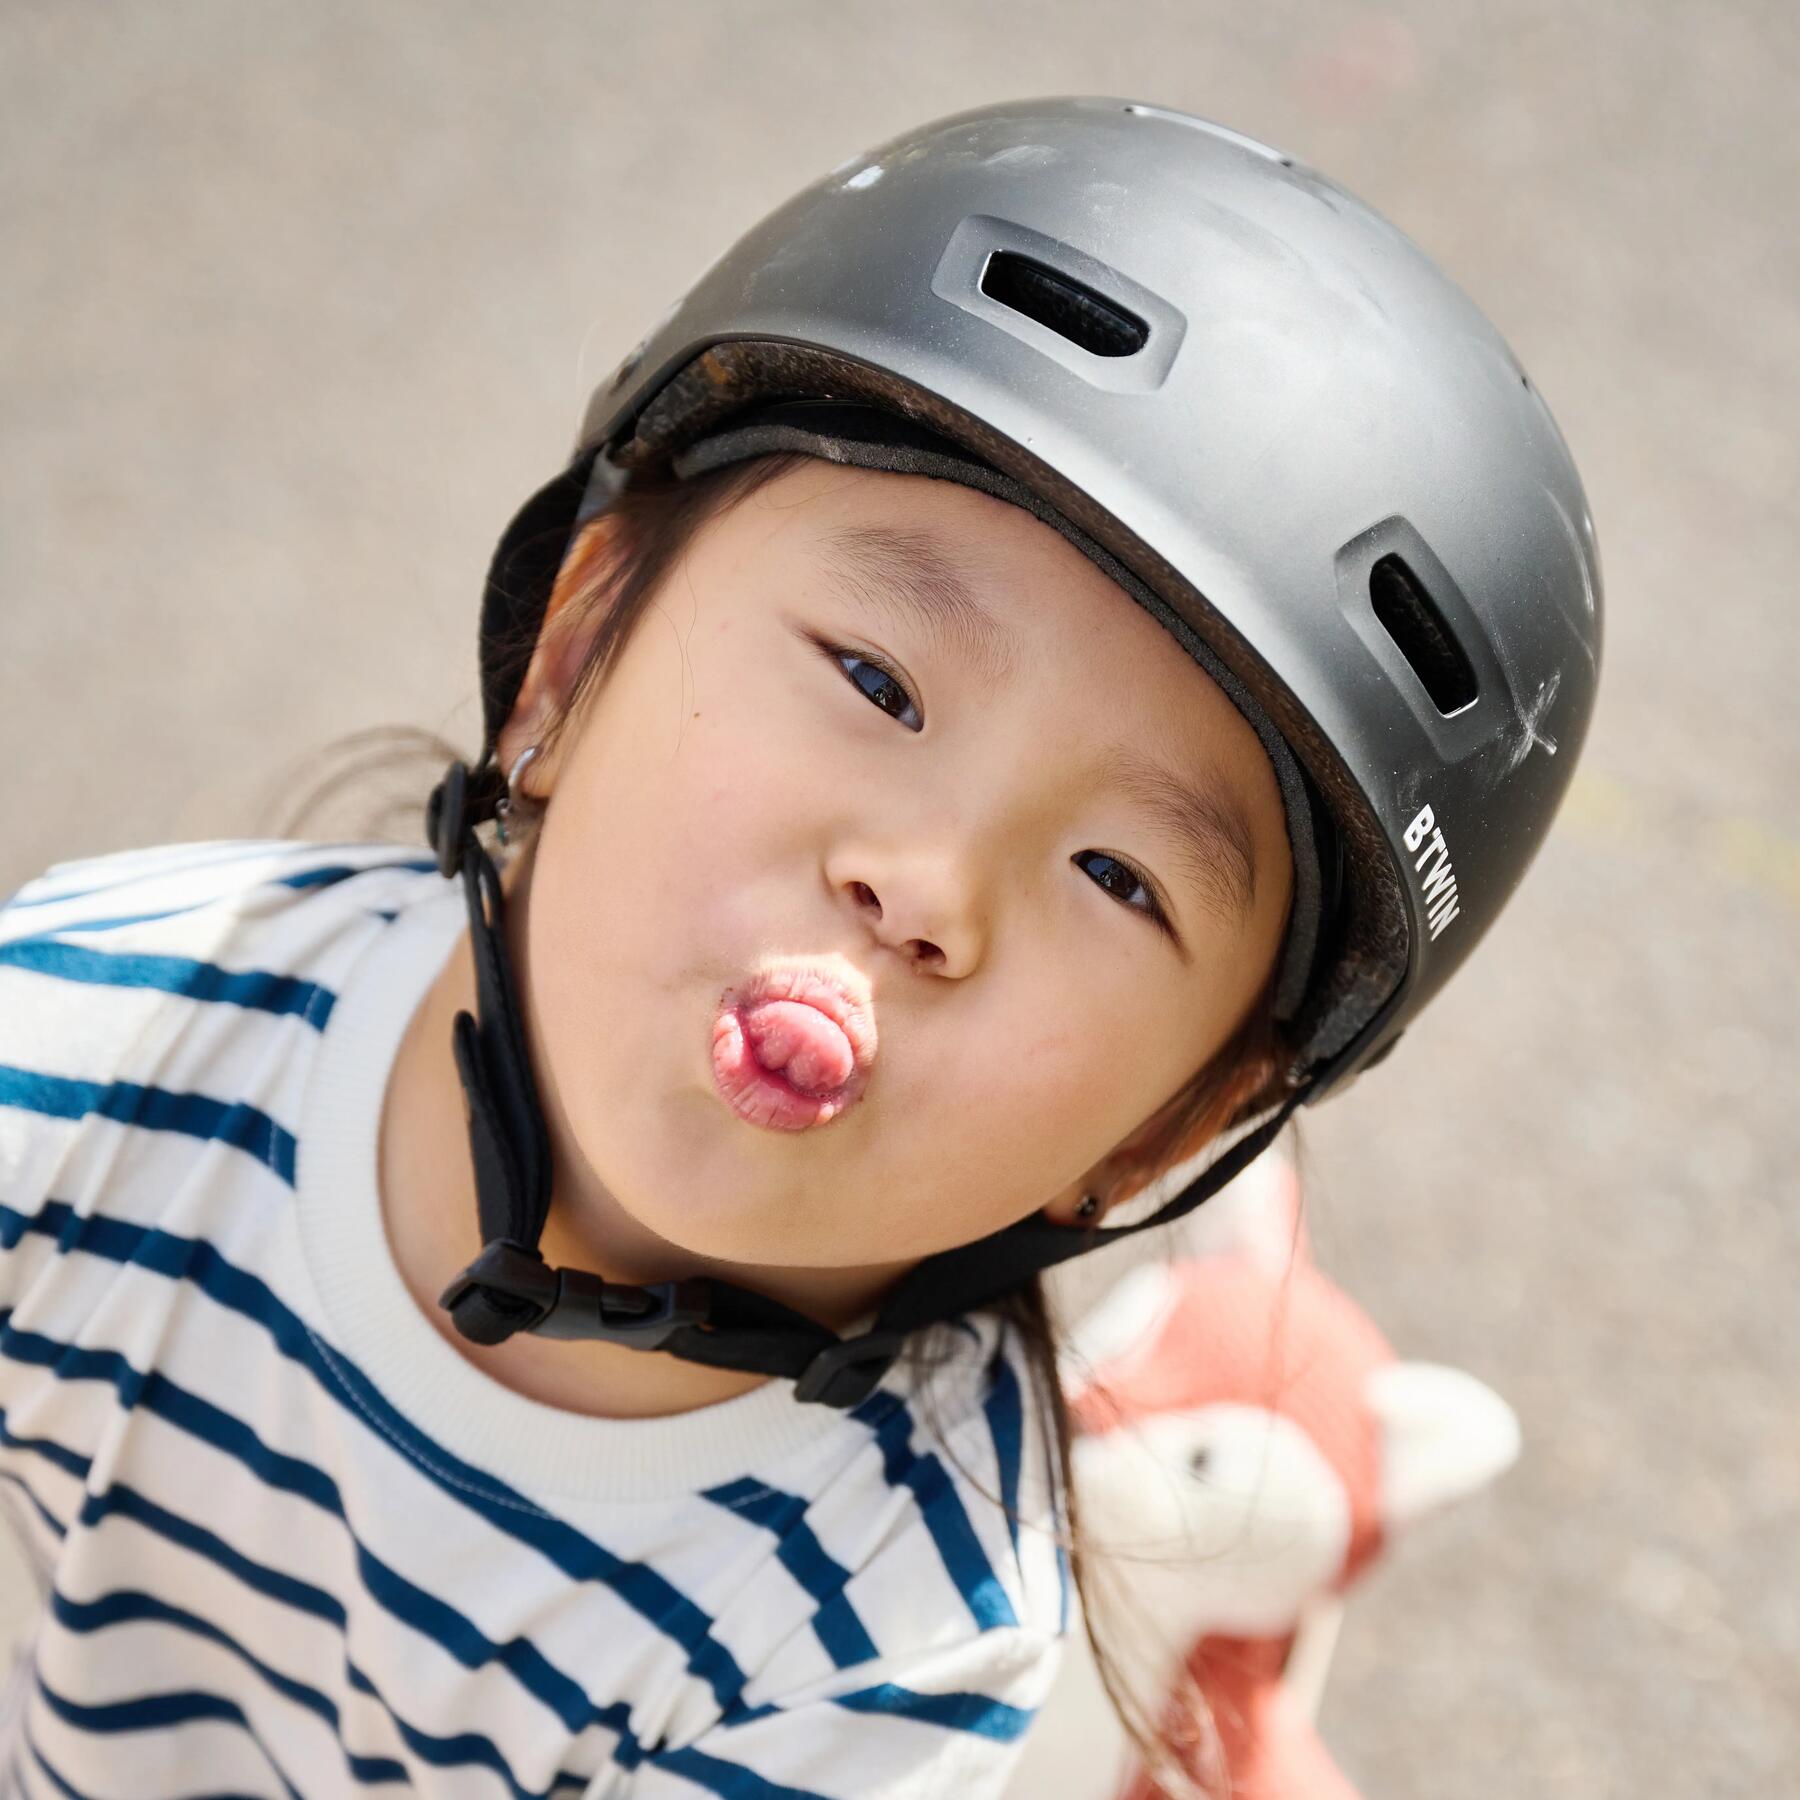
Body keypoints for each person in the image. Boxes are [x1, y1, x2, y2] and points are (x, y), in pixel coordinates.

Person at [0, 97, 1601, 1799]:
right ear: (571, 658)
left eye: (1120, 874)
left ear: (1172, 1127)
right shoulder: (103, 1036)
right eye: (877, 682)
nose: (925, 888)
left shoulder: (901, 1628)